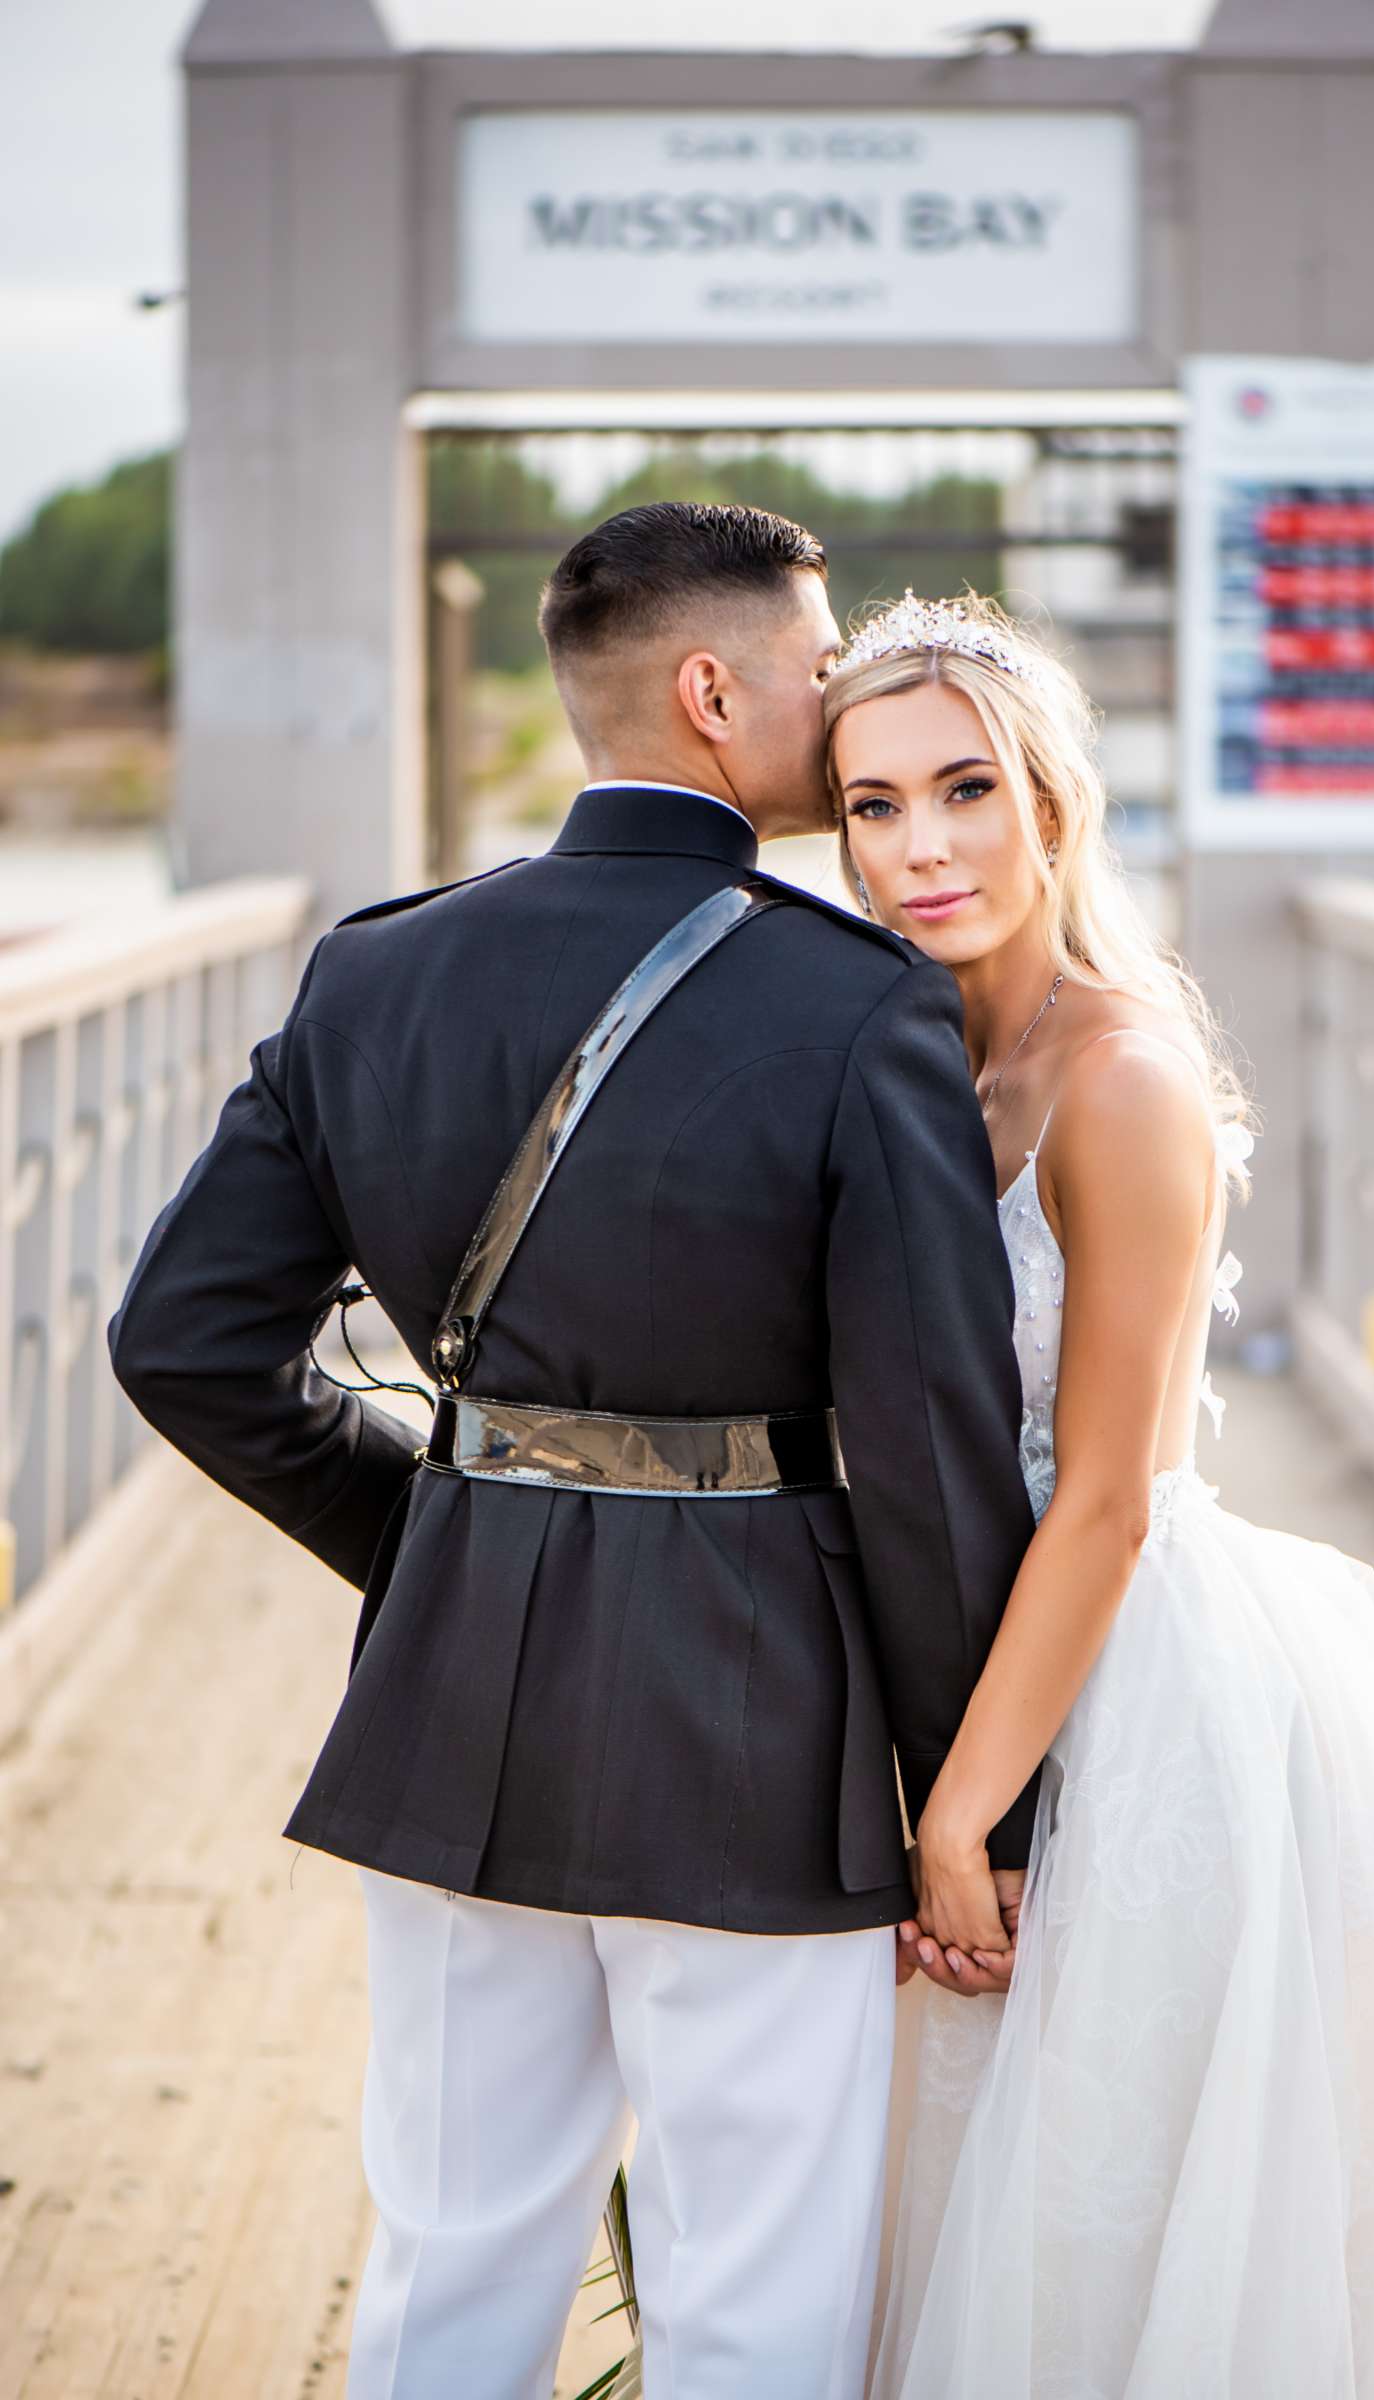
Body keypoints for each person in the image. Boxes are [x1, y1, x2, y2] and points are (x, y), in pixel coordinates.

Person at [105, 507, 1039, 2400]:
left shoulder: (374, 970)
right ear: (713, 693)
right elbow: (932, 1459)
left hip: (450, 1707)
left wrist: (446, 1535)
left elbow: (182, 1341)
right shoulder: (859, 1007)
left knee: (450, 2266)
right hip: (758, 1725)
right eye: (816, 655)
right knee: (753, 2295)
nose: (839, 684)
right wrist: (979, 1807)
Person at [819, 591, 1374, 2399]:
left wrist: (958, 1819)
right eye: (871, 805)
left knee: (1134, 2215)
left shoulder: (1122, 1078)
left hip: (1126, 1683)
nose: (920, 846)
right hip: (961, 1642)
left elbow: (1103, 1499)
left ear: (1052, 801)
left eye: (964, 788)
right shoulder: (912, 1050)